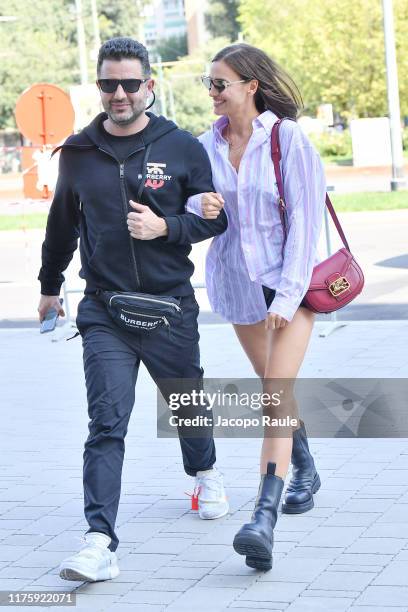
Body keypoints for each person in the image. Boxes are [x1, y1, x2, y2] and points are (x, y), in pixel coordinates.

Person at [37, 37, 229, 583]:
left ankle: (205, 471)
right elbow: (60, 228)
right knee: (106, 422)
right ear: (98, 87)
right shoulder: (77, 152)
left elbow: (215, 219)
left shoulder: (182, 147)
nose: (118, 95)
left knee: (187, 403)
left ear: (150, 85)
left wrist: (166, 227)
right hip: (105, 310)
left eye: (129, 84)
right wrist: (50, 285)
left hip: (170, 307)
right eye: (107, 85)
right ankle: (100, 541)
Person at [186, 43, 326, 571]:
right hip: (240, 286)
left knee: (274, 393)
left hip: (290, 285)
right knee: (272, 386)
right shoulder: (206, 146)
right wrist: (197, 203)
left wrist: (288, 298)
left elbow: (308, 226)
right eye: (209, 83)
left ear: (251, 86)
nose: (212, 92)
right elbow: (188, 200)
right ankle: (306, 469)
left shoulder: (287, 140)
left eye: (220, 83)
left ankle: (263, 517)